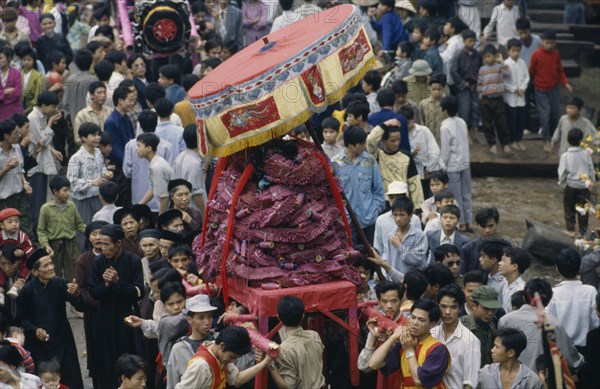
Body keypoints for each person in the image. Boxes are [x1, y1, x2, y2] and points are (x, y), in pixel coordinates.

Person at [16, 248, 84, 389]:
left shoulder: (60, 283)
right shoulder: (28, 290)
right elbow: (21, 319)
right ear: (35, 272)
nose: (52, 267)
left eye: (51, 263)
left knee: (70, 379)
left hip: (63, 338)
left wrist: (77, 294)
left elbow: (80, 306)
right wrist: (34, 330)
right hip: (39, 344)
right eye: (46, 265)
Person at [89, 224, 144, 388]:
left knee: (128, 358)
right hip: (105, 319)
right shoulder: (99, 262)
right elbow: (93, 292)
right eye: (101, 244)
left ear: (119, 244)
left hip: (127, 318)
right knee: (106, 361)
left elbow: (138, 292)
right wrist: (106, 285)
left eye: (107, 244)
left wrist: (118, 282)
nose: (102, 248)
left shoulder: (133, 261)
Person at [498, 278, 584, 371]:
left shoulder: (505, 320)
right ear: (548, 300)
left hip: (508, 379)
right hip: (541, 381)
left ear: (523, 297)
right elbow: (571, 359)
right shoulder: (554, 324)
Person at [368, 298, 450, 387]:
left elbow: (419, 381)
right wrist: (393, 337)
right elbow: (373, 364)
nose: (414, 323)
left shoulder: (438, 349)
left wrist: (410, 350)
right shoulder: (405, 342)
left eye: (421, 320)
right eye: (413, 317)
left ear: (432, 324)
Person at [332, 126, 385, 244]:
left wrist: (375, 210)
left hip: (369, 219)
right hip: (346, 221)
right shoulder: (335, 163)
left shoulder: (370, 161)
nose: (364, 147)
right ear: (351, 145)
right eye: (361, 144)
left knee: (372, 255)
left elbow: (378, 189)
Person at [176, 326, 272, 389]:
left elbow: (237, 379)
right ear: (222, 346)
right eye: (231, 356)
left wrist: (265, 362)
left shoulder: (218, 352)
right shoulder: (201, 366)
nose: (232, 361)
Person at [545, 248, 599, 348]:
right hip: (587, 349)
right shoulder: (591, 291)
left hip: (562, 351)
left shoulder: (553, 294)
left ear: (557, 269)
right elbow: (596, 323)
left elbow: (547, 326)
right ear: (579, 268)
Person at [530, 29, 573, 153]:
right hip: (540, 89)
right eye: (547, 43)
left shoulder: (556, 54)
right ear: (542, 42)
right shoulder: (536, 55)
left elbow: (560, 70)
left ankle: (554, 137)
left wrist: (566, 83)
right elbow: (532, 71)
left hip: (554, 89)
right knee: (545, 114)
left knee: (555, 113)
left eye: (552, 43)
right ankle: (546, 138)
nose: (549, 45)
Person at [357, 281, 407, 388]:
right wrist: (373, 339)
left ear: (401, 301)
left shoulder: (408, 325)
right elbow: (363, 366)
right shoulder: (377, 324)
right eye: (384, 301)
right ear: (378, 302)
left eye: (394, 301)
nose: (389, 306)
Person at [75, 220, 107, 387]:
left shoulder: (113, 256)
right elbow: (81, 288)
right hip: (93, 313)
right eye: (94, 234)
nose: (98, 237)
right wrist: (96, 303)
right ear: (88, 238)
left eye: (101, 233)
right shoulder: (84, 259)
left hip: (113, 310)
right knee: (96, 352)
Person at [124, 109, 173, 215]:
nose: (137, 149)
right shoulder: (166, 145)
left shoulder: (130, 145)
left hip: (150, 201)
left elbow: (127, 172)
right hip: (156, 204)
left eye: (139, 147)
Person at [37, 176, 85, 282]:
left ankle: (72, 296)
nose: (68, 193)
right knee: (53, 274)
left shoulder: (71, 206)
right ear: (55, 191)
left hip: (71, 245)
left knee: (73, 274)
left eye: (69, 190)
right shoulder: (45, 209)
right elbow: (41, 231)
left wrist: (91, 233)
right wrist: (46, 245)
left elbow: (80, 224)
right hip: (54, 246)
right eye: (65, 190)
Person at [366, 119, 423, 207]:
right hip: (384, 201)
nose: (396, 143)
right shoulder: (377, 155)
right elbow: (370, 140)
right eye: (392, 141)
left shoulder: (406, 156)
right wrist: (386, 124)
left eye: (399, 139)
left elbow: (414, 183)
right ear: (383, 141)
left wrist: (418, 207)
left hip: (402, 201)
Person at [432, 284, 480, 388]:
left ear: (460, 308)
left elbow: (470, 383)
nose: (447, 312)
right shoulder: (431, 334)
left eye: (453, 307)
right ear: (437, 306)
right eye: (443, 306)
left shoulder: (470, 340)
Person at [27, 91, 62, 233]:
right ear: (43, 105)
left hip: (41, 164)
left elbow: (44, 142)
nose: (54, 110)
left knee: (40, 200)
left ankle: (38, 232)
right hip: (34, 165)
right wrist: (50, 123)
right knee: (35, 203)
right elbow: (40, 142)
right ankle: (35, 234)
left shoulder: (41, 116)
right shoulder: (33, 118)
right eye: (52, 106)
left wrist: (53, 150)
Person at [167, 294, 218, 388]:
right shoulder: (179, 349)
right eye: (201, 318)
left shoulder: (218, 343)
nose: (207, 322)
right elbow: (172, 382)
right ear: (190, 320)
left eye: (209, 317)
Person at [66, 122, 110, 224]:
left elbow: (101, 168)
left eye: (99, 135)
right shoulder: (76, 158)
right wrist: (91, 182)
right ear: (84, 138)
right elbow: (72, 183)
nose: (98, 138)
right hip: (83, 200)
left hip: (99, 196)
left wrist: (106, 174)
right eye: (94, 135)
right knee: (85, 230)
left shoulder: (98, 152)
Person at [558, 128, 595, 237]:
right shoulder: (586, 154)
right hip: (584, 186)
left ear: (568, 140)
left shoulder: (565, 156)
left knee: (569, 208)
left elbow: (562, 172)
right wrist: (591, 182)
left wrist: (563, 184)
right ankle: (582, 231)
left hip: (571, 186)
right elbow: (591, 169)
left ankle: (571, 229)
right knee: (583, 208)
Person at [477, 328, 543, 389]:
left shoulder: (531, 380)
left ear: (511, 353)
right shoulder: (485, 373)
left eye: (496, 347)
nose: (492, 350)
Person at [478, 44, 512, 155]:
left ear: (494, 56)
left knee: (501, 122)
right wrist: (481, 94)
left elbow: (508, 73)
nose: (487, 59)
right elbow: (480, 83)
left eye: (489, 56)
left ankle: (505, 144)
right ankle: (492, 144)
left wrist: (501, 61)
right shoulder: (482, 69)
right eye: (485, 57)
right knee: (487, 123)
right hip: (485, 99)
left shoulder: (499, 67)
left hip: (497, 99)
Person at [452, 29, 482, 144]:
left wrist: (476, 83)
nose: (472, 43)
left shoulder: (477, 55)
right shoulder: (459, 54)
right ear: (464, 41)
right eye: (470, 41)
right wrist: (464, 84)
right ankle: (466, 134)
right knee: (465, 110)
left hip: (474, 86)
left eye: (474, 41)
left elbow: (480, 70)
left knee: (476, 108)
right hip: (462, 87)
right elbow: (454, 72)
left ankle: (475, 132)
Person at [385, 197, 428, 274]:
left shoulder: (419, 235)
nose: (398, 218)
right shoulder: (391, 236)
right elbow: (389, 260)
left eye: (402, 215)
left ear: (410, 215)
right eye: (395, 215)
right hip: (396, 280)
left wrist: (399, 246)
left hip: (415, 280)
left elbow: (417, 259)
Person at [502, 38, 530, 152]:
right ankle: (512, 140)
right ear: (508, 51)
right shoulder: (505, 64)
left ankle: (519, 139)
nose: (516, 53)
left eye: (518, 51)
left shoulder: (522, 63)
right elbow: (503, 81)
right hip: (510, 98)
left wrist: (522, 88)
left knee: (520, 119)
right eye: (513, 51)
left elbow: (527, 77)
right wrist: (514, 89)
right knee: (511, 120)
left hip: (521, 96)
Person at [137, 133, 173, 215]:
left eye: (139, 146)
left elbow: (164, 197)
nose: (137, 149)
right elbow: (153, 188)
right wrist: (139, 206)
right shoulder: (155, 162)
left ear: (149, 148)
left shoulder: (156, 167)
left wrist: (161, 218)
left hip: (168, 210)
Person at [367, 88, 411, 153]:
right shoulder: (401, 119)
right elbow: (404, 143)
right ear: (394, 101)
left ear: (378, 103)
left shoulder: (371, 118)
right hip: (398, 157)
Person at [461, 207, 501, 274]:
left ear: (496, 224)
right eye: (483, 226)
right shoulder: (468, 249)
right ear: (477, 225)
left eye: (491, 226)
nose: (487, 230)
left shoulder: (505, 249)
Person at [498, 247, 530, 314]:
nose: (499, 263)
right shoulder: (504, 284)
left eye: (503, 260)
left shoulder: (521, 289)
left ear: (514, 266)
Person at [440, 17, 466, 93]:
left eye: (447, 25)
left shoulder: (455, 42)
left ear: (452, 29)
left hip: (451, 78)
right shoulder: (454, 40)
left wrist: (436, 53)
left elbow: (446, 58)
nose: (444, 27)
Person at [418, 73, 445, 143]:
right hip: (428, 141)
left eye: (439, 89)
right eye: (433, 89)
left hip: (444, 141)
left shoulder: (447, 104)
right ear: (429, 88)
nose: (436, 92)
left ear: (443, 88)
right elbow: (421, 123)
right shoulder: (423, 104)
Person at [0, 47, 23, 122]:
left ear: (8, 58)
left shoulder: (16, 73)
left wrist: (1, 97)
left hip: (14, 111)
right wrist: (5, 92)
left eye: (1, 58)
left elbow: (17, 93)